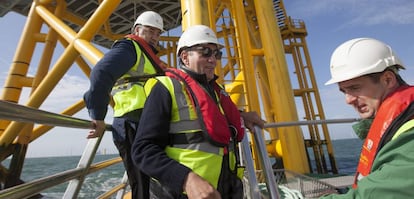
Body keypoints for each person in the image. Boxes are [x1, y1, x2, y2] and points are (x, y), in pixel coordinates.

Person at [131, 24, 265, 199]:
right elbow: (142, 150)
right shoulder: (166, 88)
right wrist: (186, 179)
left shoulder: (214, 92)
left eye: (217, 54)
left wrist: (241, 116)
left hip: (225, 188)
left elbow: (207, 117)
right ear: (185, 57)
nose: (213, 59)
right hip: (184, 193)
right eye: (205, 52)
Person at [83, 11, 166, 199]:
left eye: (158, 33)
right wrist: (98, 115)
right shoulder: (130, 47)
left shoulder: (146, 55)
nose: (155, 36)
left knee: (153, 181)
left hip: (147, 123)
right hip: (132, 123)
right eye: (150, 31)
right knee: (141, 182)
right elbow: (101, 73)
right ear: (137, 30)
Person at [321, 38, 414, 198]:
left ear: (388, 80)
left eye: (354, 88)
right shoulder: (399, 122)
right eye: (344, 91)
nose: (348, 100)